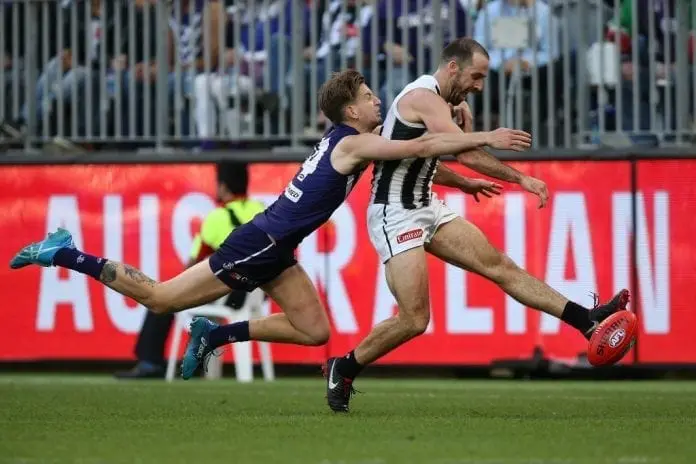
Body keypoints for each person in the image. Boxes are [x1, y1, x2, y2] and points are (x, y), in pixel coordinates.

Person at [9, 69, 531, 381]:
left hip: (277, 244)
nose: (379, 100)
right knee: (161, 298)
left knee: (315, 332)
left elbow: (414, 158)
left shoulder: (353, 143)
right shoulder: (354, 142)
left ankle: (215, 334)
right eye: (370, 96)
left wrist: (463, 181)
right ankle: (64, 251)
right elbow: (420, 146)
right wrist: (486, 137)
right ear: (351, 110)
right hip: (258, 243)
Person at [324, 38, 631, 413]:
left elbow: (421, 159)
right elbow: (465, 151)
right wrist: (520, 177)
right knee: (415, 319)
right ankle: (344, 367)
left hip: (425, 206)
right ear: (453, 68)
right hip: (395, 213)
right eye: (476, 76)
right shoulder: (422, 96)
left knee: (501, 266)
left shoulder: (439, 103)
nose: (479, 86)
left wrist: (462, 183)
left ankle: (586, 320)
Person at [114, 162, 265, 379]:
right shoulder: (262, 210)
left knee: (163, 297)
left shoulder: (217, 217)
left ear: (223, 186)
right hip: (255, 293)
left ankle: (149, 363)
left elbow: (192, 265)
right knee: (205, 301)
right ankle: (196, 365)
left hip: (228, 294)